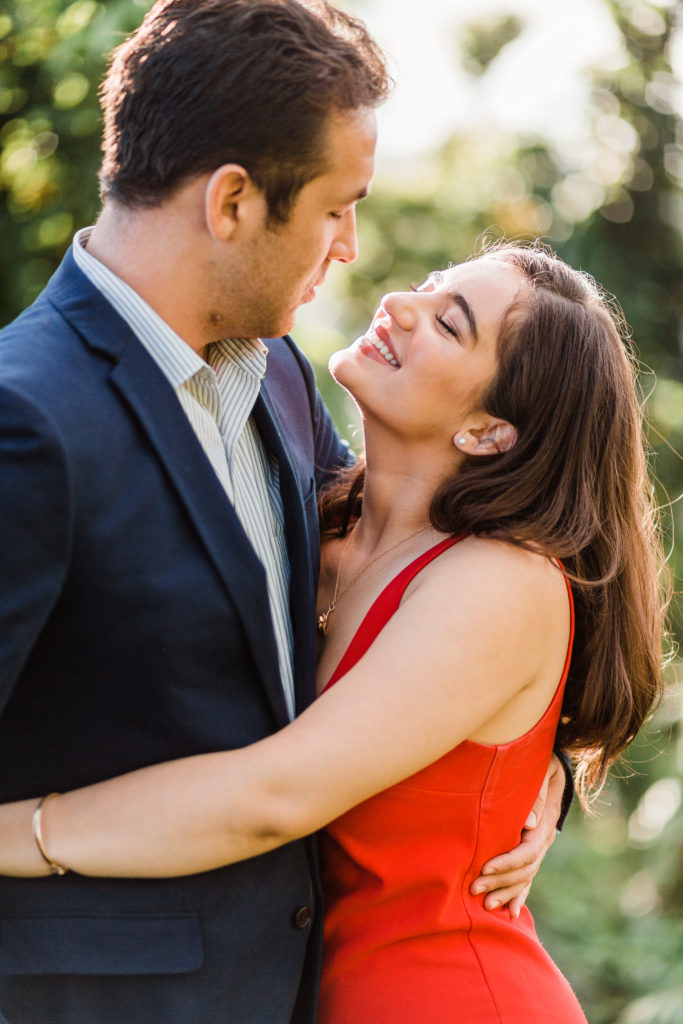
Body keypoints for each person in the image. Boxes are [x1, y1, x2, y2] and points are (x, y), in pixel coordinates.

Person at [0, 2, 567, 1022]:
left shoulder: (283, 384)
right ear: (231, 202)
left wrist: (535, 766)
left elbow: (416, 581)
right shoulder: (25, 416)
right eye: (335, 207)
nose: (351, 248)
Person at [0, 242, 667, 1024]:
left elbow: (277, 795)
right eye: (426, 286)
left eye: (448, 325)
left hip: (443, 996)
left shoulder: (501, 581)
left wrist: (22, 834)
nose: (400, 306)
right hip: (297, 989)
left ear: (489, 432)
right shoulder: (319, 514)